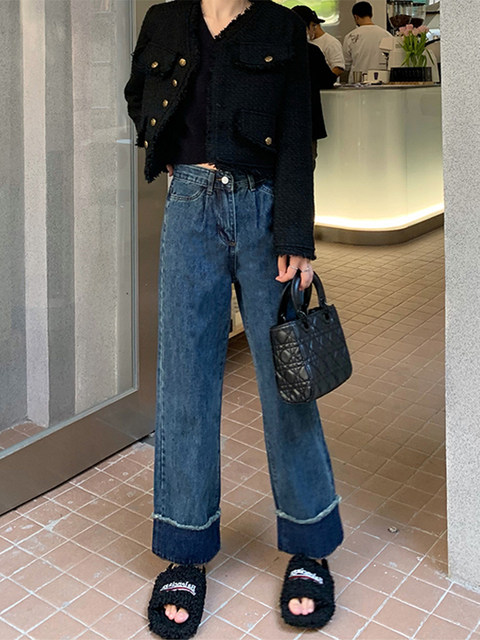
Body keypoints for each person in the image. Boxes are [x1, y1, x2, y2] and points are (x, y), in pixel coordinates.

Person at [124, 1, 343, 638]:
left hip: (265, 214)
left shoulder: (281, 25)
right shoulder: (164, 20)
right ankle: (184, 549)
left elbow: (298, 135)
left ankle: (310, 545)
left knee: (286, 382)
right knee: (184, 384)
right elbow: (138, 93)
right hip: (189, 208)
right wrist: (164, 148)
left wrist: (296, 236)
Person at [291, 6, 332, 167]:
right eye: (313, 25)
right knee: (306, 165)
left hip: (281, 123)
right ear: (306, 26)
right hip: (307, 120)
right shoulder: (312, 51)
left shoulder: (277, 49)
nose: (315, 30)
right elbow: (327, 80)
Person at [343, 1, 393, 82]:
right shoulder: (386, 35)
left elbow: (346, 65)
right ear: (371, 14)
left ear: (356, 17)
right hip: (382, 81)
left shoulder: (350, 36)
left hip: (357, 83)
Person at [306, 9, 345, 78]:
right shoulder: (307, 42)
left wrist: (326, 79)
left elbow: (338, 68)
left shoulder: (331, 42)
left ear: (315, 26)